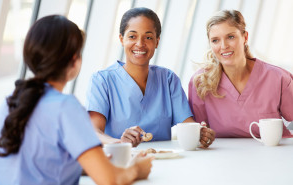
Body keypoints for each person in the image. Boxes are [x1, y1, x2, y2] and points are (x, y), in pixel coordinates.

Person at [0, 15, 153, 185]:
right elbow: (111, 180)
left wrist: (86, 163)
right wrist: (137, 168)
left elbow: (33, 165)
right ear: (74, 60)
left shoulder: (10, 103)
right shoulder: (66, 107)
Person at [86, 7, 215, 147]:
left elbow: (187, 125)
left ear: (157, 42)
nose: (140, 44)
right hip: (122, 161)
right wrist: (120, 143)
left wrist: (201, 133)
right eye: (132, 36)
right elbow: (94, 132)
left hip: (164, 160)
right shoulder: (102, 80)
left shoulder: (168, 79)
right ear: (121, 39)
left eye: (148, 37)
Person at [188, 10, 293, 138]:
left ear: (245, 37)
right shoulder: (200, 83)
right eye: (215, 40)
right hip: (222, 157)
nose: (223, 46)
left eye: (230, 37)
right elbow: (198, 132)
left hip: (275, 155)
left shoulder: (278, 78)